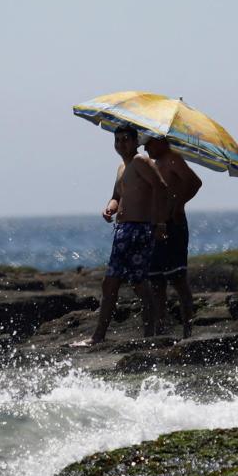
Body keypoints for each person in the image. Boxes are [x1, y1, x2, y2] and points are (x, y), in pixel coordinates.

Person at [73, 125, 169, 345]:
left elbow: (161, 188)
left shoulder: (141, 161)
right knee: (112, 283)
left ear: (136, 142)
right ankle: (100, 336)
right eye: (117, 140)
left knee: (138, 284)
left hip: (139, 230)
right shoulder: (121, 167)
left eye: (125, 139)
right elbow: (117, 195)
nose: (121, 144)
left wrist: (160, 222)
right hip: (123, 231)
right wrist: (109, 208)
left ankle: (149, 335)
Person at [144, 135, 201, 338]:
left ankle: (188, 330)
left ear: (160, 141)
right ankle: (162, 328)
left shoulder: (172, 158)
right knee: (156, 281)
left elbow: (194, 182)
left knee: (177, 279)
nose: (145, 146)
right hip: (155, 226)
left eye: (149, 142)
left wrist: (179, 205)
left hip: (172, 225)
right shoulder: (154, 163)